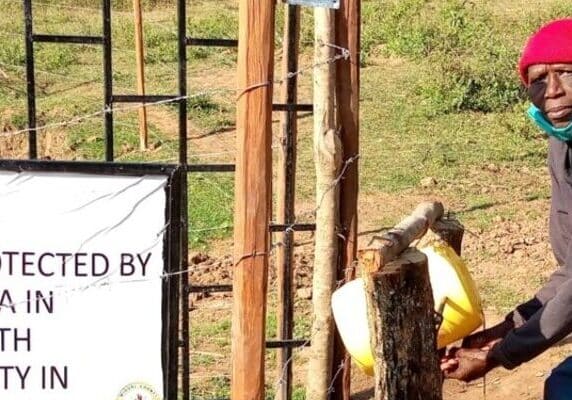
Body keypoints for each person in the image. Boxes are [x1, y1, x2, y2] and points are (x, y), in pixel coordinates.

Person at [441, 18, 572, 399]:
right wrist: (503, 330)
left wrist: (500, 354)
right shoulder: (562, 145)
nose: (554, 91)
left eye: (566, 72)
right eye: (538, 80)